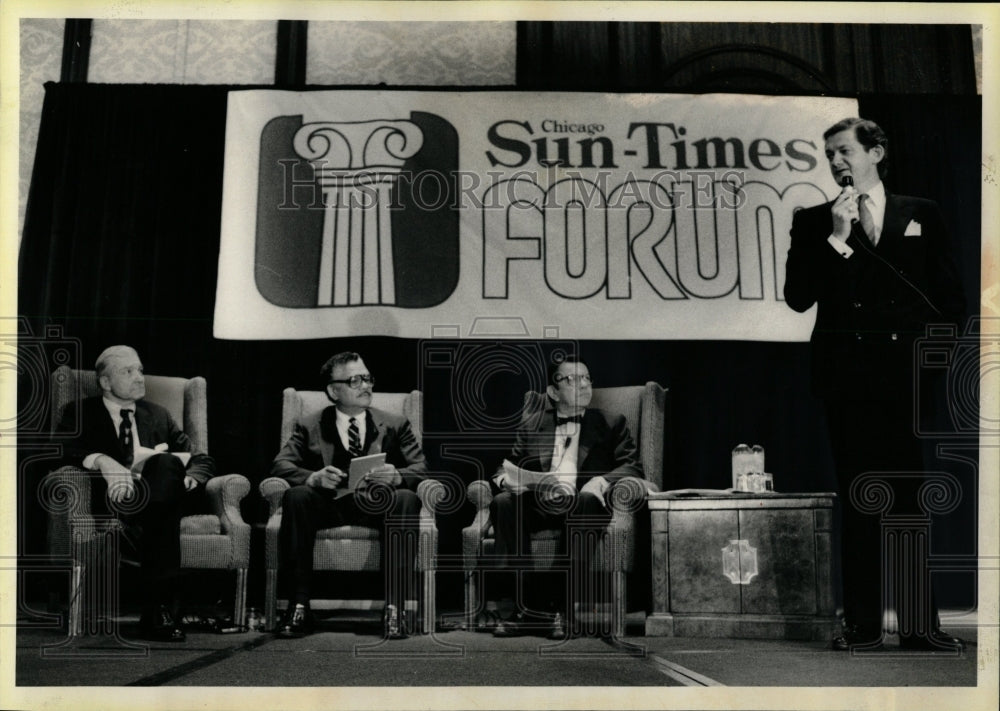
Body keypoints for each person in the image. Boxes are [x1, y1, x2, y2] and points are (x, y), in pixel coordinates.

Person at [784, 117, 965, 652]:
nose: (836, 162)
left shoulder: (921, 214)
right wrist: (837, 241)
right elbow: (798, 298)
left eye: (843, 151)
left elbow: (950, 301)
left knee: (909, 502)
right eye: (829, 155)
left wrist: (929, 365)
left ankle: (917, 627)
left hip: (905, 381)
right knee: (861, 501)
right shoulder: (815, 221)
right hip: (847, 383)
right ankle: (862, 625)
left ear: (876, 151)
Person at [57, 345, 216, 642]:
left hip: (157, 503)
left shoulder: (158, 415)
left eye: (140, 370)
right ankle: (158, 607)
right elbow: (59, 452)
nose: (140, 377)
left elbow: (201, 458)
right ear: (105, 382)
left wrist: (192, 477)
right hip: (111, 503)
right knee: (163, 504)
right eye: (128, 371)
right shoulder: (80, 412)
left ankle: (156, 605)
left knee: (166, 463)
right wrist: (102, 460)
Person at [271, 351, 426, 639]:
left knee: (406, 497)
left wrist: (398, 475)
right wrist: (312, 477)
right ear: (333, 390)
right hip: (329, 505)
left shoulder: (395, 422)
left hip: (376, 503)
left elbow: (422, 467)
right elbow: (281, 464)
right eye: (356, 380)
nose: (366, 386)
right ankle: (299, 607)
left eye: (368, 378)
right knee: (297, 496)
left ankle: (395, 608)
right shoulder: (309, 424)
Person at [488, 356, 642, 639]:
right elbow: (507, 464)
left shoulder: (610, 422)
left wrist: (602, 480)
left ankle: (561, 610)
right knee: (503, 503)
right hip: (541, 502)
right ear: (553, 392)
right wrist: (505, 480)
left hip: (583, 503)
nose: (582, 384)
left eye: (586, 378)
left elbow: (633, 465)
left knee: (585, 502)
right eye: (571, 379)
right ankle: (524, 610)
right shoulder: (533, 423)